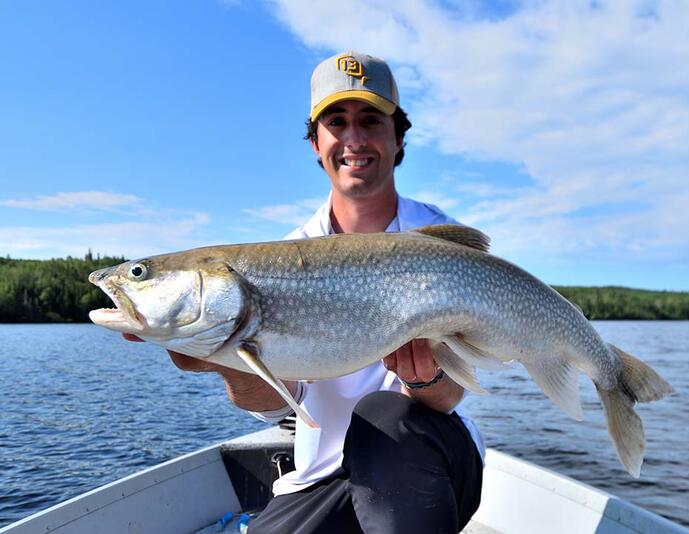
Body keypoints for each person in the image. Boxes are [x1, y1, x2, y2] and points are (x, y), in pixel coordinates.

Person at [125, 51, 483, 533]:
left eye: (371, 121)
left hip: (435, 460)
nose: (353, 140)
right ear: (317, 143)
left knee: (388, 415)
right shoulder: (285, 255)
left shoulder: (442, 243)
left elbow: (448, 398)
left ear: (399, 138)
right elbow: (277, 403)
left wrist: (422, 382)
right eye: (337, 122)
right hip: (327, 471)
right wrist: (224, 359)